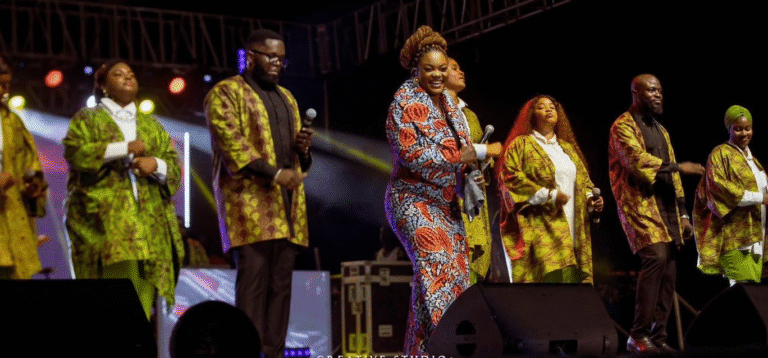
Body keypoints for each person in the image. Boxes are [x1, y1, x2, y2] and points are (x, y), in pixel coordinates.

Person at [204, 28, 312, 358]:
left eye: (282, 58)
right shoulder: (224, 93)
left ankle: (274, 354)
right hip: (248, 205)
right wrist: (277, 173)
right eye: (271, 57)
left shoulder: (287, 97)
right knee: (252, 287)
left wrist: (303, 152)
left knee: (281, 289)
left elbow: (299, 161)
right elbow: (232, 146)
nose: (278, 63)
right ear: (251, 56)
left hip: (288, 207)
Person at [63, 60, 184, 319]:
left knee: (142, 301)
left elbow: (173, 165)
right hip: (108, 225)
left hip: (150, 224)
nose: (128, 78)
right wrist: (124, 148)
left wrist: (157, 164)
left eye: (131, 74)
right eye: (118, 75)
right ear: (103, 87)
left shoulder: (151, 124)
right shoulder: (88, 118)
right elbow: (75, 152)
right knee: (115, 300)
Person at [384, 25, 475, 355]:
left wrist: (474, 171)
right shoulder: (403, 105)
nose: (437, 75)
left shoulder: (452, 106)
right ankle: (452, 348)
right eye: (429, 69)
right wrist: (459, 157)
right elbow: (413, 156)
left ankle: (421, 352)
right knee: (437, 265)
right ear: (416, 71)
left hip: (447, 204)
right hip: (412, 198)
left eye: (442, 68)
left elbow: (466, 153)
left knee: (454, 280)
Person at [608, 74, 704, 354]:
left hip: (667, 208)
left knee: (670, 269)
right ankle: (637, 336)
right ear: (635, 94)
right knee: (656, 257)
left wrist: (684, 213)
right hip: (639, 204)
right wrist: (678, 167)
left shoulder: (661, 130)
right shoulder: (622, 125)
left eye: (660, 90)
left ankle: (658, 337)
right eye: (652, 90)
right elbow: (635, 159)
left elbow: (672, 174)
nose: (659, 95)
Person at [495, 95, 603, 284]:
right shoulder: (521, 145)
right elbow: (510, 179)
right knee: (548, 286)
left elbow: (584, 182)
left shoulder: (567, 149)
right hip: (540, 228)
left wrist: (590, 199)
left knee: (571, 290)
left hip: (572, 227)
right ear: (531, 115)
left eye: (552, 106)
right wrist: (548, 195)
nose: (548, 109)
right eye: (541, 107)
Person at [694, 105, 767, 285]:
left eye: (747, 128)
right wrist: (760, 198)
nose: (744, 133)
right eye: (738, 129)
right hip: (735, 238)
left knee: (752, 296)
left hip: (756, 236)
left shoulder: (753, 161)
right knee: (743, 294)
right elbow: (720, 189)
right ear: (729, 129)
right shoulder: (720, 154)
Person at [444, 57, 502, 283]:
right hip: (449, 199)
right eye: (454, 68)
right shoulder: (435, 111)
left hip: (474, 196)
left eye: (460, 67)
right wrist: (483, 149)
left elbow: (482, 160)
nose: (461, 71)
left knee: (478, 257)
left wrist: (486, 158)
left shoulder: (470, 115)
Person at [0, 54, 49, 280]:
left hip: (10, 214)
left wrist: (33, 187)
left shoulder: (12, 121)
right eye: (0, 84)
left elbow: (30, 164)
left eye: (7, 85)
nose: (3, 91)